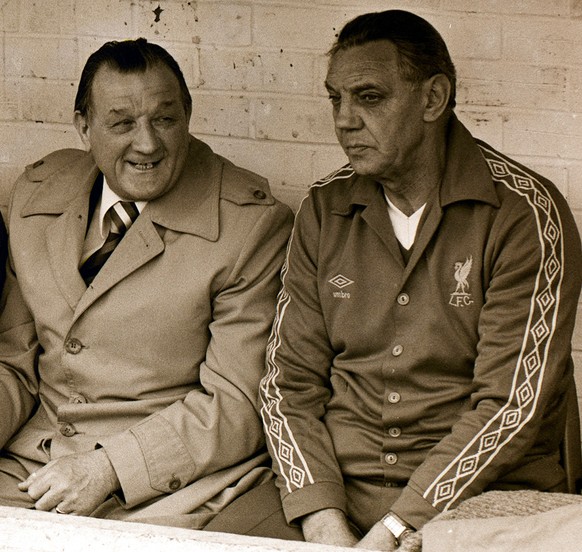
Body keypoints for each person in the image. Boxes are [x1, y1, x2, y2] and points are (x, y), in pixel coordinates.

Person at [259, 9, 582, 550]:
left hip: (482, 502)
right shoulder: (323, 209)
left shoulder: (525, 213)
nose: (343, 120)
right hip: (338, 494)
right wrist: (321, 518)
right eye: (335, 98)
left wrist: (397, 526)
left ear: (433, 99)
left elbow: (510, 405)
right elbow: (286, 386)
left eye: (369, 97)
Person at [0, 38, 293, 529]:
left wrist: (108, 467)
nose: (148, 143)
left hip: (169, 485)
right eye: (121, 123)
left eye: (165, 119)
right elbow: (15, 364)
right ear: (84, 127)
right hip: (35, 464)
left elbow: (236, 403)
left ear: (188, 114)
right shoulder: (37, 194)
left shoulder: (250, 225)